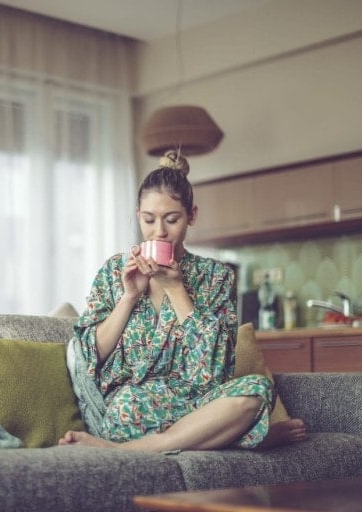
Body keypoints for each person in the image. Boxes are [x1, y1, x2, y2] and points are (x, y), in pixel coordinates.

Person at [59, 151, 306, 452]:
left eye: (172, 219)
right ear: (138, 216)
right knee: (126, 407)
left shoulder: (216, 276)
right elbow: (89, 355)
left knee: (256, 390)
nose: (159, 232)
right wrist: (129, 296)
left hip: (199, 402)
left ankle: (125, 450)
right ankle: (234, 435)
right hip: (133, 407)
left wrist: (177, 290)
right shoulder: (115, 272)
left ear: (192, 216)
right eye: (149, 220)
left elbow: (213, 371)